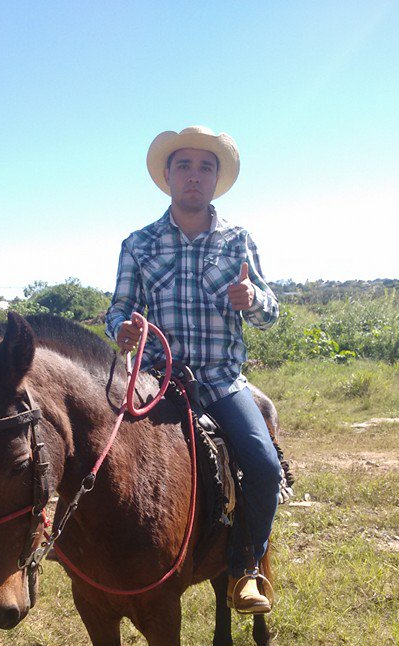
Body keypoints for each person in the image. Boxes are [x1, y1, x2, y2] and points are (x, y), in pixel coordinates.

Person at [105, 126, 281, 614]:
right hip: (157, 381)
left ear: (216, 179)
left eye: (206, 167)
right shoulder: (138, 244)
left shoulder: (236, 240)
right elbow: (118, 308)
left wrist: (254, 300)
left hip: (223, 382)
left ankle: (245, 568)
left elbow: (272, 312)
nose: (194, 175)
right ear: (166, 176)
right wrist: (123, 329)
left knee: (264, 466)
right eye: (184, 165)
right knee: (101, 457)